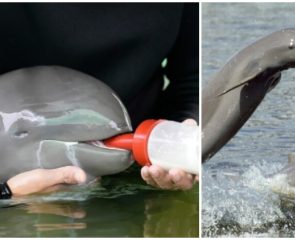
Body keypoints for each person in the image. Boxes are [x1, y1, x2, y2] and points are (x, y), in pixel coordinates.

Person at [0, 3, 199, 199]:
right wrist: (7, 192)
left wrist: (180, 136)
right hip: (17, 183)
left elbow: (192, 79)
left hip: (141, 168)